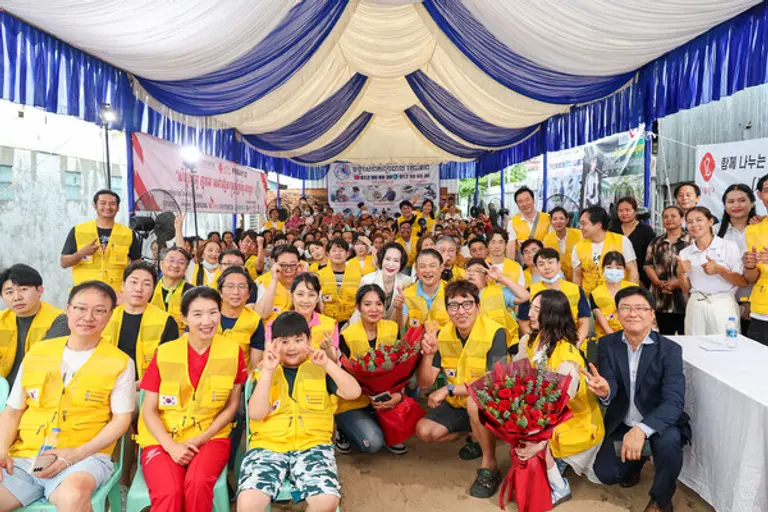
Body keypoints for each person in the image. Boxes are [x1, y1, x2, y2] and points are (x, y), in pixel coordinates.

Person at [0, 281, 135, 511]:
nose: (88, 317)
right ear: (68, 309)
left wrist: (76, 454)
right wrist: (2, 451)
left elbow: (121, 420)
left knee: (73, 496)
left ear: (110, 315)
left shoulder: (120, 362)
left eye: (99, 310)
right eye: (80, 308)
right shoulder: (38, 353)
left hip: (85, 458)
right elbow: (13, 410)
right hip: (25, 456)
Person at [137, 286, 247, 512]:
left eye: (213, 312)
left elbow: (232, 405)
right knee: (169, 491)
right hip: (162, 437)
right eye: (197, 314)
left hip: (211, 436)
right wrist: (171, 446)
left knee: (197, 484)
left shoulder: (233, 351)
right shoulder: (165, 352)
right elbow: (148, 410)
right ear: (184, 318)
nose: (207, 321)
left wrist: (199, 439)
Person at [237, 312, 361, 512]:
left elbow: (354, 392)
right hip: (268, 447)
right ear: (273, 343)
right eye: (284, 341)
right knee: (248, 503)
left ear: (309, 340)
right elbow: (256, 414)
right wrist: (268, 371)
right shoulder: (264, 372)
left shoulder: (321, 371)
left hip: (313, 447)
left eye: (298, 340)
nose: (292, 347)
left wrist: (328, 364)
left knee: (326, 501)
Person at [586, 287, 690, 512]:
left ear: (652, 314)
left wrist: (641, 430)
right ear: (617, 313)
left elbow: (674, 401)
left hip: (658, 422)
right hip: (623, 421)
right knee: (607, 474)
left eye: (640, 308)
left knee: (669, 445)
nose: (632, 313)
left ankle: (660, 500)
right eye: (626, 308)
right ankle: (636, 462)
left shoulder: (670, 350)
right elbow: (610, 383)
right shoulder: (608, 344)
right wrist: (605, 391)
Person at [415, 280, 508, 498]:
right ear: (447, 310)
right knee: (424, 432)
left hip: (490, 403)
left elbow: (493, 381)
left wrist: (449, 389)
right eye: (454, 306)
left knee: (474, 402)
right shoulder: (443, 335)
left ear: (478, 306)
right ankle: (474, 434)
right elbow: (425, 383)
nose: (461, 311)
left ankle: (489, 464)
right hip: (457, 404)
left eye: (467, 304)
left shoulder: (495, 332)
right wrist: (428, 355)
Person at [516, 289, 605, 505]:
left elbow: (559, 405)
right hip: (543, 415)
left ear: (552, 315)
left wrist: (539, 441)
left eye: (537, 310)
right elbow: (517, 374)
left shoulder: (567, 357)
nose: (530, 314)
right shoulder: (530, 341)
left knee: (536, 459)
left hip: (572, 424)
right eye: (531, 308)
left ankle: (560, 486)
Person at [335, 285, 408, 456]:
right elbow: (343, 375)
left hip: (385, 396)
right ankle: (343, 428)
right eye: (367, 304)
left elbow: (401, 368)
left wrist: (398, 396)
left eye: (378, 304)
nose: (374, 309)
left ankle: (379, 425)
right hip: (355, 400)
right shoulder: (347, 335)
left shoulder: (392, 328)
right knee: (373, 442)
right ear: (358, 307)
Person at [103, 262, 178, 379]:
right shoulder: (106, 317)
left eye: (146, 284)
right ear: (123, 285)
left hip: (146, 386)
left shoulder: (166, 322)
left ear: (153, 289)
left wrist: (136, 385)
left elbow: (167, 366)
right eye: (134, 282)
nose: (139, 289)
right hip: (107, 382)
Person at [678, 207, 746, 335]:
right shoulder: (685, 253)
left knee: (725, 343)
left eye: (699, 220)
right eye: (690, 222)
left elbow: (742, 281)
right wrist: (680, 273)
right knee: (695, 344)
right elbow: (686, 289)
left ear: (710, 221)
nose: (694, 225)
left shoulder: (728, 247)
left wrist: (720, 270)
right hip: (696, 303)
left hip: (723, 303)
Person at [60, 189, 140, 293]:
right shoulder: (78, 231)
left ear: (118, 208)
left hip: (116, 294)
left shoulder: (128, 234)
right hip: (85, 293)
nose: (108, 207)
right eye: (103, 203)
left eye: (112, 204)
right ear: (95, 206)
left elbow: (137, 264)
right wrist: (81, 254)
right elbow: (64, 263)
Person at [0, 265, 66, 383]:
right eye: (9, 292)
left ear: (39, 290)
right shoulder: (2, 319)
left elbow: (46, 361)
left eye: (23, 289)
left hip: (38, 386)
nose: (17, 297)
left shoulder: (59, 320)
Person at [518, 249, 591, 346]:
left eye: (550, 262)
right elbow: (524, 323)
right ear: (537, 268)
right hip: (540, 345)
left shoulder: (576, 290)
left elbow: (584, 322)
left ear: (559, 264)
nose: (546, 267)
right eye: (541, 264)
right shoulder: (530, 292)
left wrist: (574, 345)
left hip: (573, 343)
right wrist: (538, 345)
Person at [713, 184, 755, 332]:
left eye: (742, 200)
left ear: (752, 202)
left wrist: (749, 302)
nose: (736, 205)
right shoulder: (714, 231)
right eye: (730, 201)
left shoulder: (761, 228)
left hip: (756, 302)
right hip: (721, 302)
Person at [644, 206, 691, 335]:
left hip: (685, 300)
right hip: (661, 300)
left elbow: (696, 269)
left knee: (686, 338)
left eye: (673, 216)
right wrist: (658, 283)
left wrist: (677, 283)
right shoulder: (655, 242)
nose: (669, 219)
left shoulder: (691, 242)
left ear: (682, 219)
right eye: (665, 216)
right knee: (664, 338)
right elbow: (648, 265)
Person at [573, 206, 639, 297]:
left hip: (619, 297)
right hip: (589, 298)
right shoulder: (578, 246)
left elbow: (633, 270)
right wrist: (578, 299)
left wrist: (632, 296)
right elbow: (577, 275)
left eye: (583, 224)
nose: (580, 228)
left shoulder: (621, 241)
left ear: (598, 225)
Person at [464, 259, 528, 352]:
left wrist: (501, 278)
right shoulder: (457, 296)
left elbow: (525, 296)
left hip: (502, 347)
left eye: (477, 271)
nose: (471, 274)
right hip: (471, 347)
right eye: (468, 270)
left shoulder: (499, 292)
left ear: (487, 277)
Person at [351, 242, 413, 324]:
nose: (391, 264)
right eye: (387, 259)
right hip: (365, 324)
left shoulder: (407, 282)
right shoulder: (368, 280)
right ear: (382, 259)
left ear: (401, 263)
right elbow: (360, 311)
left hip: (393, 326)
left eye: (396, 260)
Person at [217, 267, 264, 370]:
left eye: (242, 286)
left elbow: (254, 365)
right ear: (220, 292)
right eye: (230, 286)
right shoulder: (207, 314)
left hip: (239, 377)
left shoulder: (254, 320)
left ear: (248, 293)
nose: (236, 292)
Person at [394, 250, 451, 331]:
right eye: (422, 266)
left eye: (432, 266)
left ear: (441, 267)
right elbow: (399, 327)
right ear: (416, 269)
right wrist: (398, 309)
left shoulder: (452, 293)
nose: (427, 270)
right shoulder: (407, 294)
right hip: (416, 339)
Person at [611, 197, 656, 288]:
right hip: (615, 278)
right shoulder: (612, 230)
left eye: (627, 210)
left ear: (635, 211)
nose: (624, 213)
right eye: (620, 211)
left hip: (641, 280)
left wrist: (641, 280)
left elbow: (651, 258)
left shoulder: (646, 231)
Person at [744, 173, 768, 345]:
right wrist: (750, 266)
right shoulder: (753, 229)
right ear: (759, 195)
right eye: (767, 190)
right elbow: (752, 277)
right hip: (761, 312)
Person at [317, 239, 362, 326]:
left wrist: (350, 323)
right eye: (334, 250)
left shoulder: (358, 276)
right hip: (326, 322)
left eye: (341, 250)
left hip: (352, 323)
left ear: (347, 253)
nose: (337, 253)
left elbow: (361, 302)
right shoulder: (319, 276)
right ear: (328, 254)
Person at [591, 252, 636, 338]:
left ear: (624, 270)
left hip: (633, 335)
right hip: (607, 337)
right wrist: (616, 339)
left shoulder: (633, 289)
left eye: (618, 268)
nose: (614, 271)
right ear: (603, 269)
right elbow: (603, 323)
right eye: (609, 267)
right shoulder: (595, 294)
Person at [151, 247, 194, 336]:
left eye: (181, 262)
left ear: (186, 268)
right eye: (171, 260)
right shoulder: (150, 286)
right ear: (161, 264)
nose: (175, 265)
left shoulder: (192, 292)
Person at [254, 245, 302, 324]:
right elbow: (261, 314)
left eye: (293, 264)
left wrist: (303, 279)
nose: (289, 270)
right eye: (283, 265)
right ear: (274, 262)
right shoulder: (261, 282)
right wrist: (274, 280)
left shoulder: (306, 281)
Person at [506, 187, 551, 258]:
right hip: (524, 262)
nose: (524, 204)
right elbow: (510, 248)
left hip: (545, 260)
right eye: (520, 202)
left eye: (527, 199)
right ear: (517, 205)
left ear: (533, 200)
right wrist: (511, 264)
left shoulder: (548, 219)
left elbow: (553, 243)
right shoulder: (512, 222)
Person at [543, 207, 582, 282]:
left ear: (567, 220)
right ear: (551, 221)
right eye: (555, 219)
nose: (558, 222)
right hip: (558, 279)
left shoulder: (578, 234)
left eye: (561, 218)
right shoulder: (547, 239)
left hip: (578, 277)